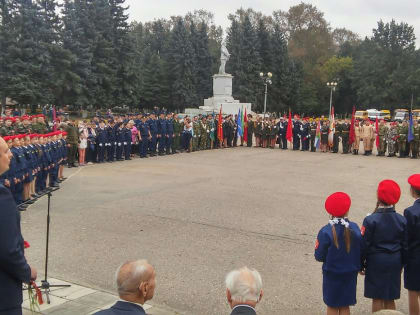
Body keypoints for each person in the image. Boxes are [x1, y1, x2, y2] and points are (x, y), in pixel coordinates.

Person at [0, 136, 37, 315]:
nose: (11, 155)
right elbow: (8, 249)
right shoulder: (2, 196)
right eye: (6, 151)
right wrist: (26, 272)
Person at [360, 180, 407, 313]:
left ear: (378, 197)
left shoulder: (370, 220)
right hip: (394, 261)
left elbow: (364, 245)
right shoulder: (401, 219)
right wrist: (402, 263)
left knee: (377, 297)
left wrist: (360, 263)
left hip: (376, 262)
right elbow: (405, 245)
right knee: (390, 297)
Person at [315, 192, 362, 315]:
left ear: (329, 211)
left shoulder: (325, 231)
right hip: (350, 274)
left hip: (332, 274)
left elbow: (319, 256)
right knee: (345, 306)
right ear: (348, 210)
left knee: (332, 306)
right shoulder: (355, 228)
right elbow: (360, 250)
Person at [404, 174, 420, 315]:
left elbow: (406, 237)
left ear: (412, 191)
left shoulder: (410, 212)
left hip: (415, 257)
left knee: (413, 291)